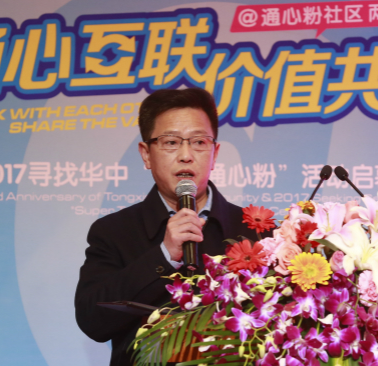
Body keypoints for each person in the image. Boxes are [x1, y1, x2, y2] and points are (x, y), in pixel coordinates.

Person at [74, 88, 262, 366]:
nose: (186, 155)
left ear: (215, 152)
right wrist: (163, 256)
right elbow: (92, 320)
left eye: (199, 142)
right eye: (171, 142)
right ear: (146, 154)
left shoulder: (256, 231)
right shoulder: (114, 231)